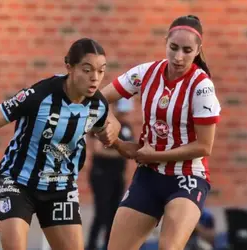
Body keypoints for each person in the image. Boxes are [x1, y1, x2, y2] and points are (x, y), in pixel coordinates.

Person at [0, 38, 119, 250]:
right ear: (69, 67)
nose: (95, 78)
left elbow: (108, 128)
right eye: (87, 70)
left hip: (60, 187)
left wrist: (120, 135)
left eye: (101, 71)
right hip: (18, 182)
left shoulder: (97, 104)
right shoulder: (38, 96)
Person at [96, 15, 222, 250]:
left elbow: (205, 147)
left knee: (168, 247)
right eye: (173, 47)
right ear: (165, 42)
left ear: (197, 50)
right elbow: (98, 101)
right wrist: (115, 137)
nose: (178, 57)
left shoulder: (202, 86)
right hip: (149, 176)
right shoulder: (146, 72)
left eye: (187, 50)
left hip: (187, 178)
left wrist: (153, 155)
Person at [86, 99, 134, 250]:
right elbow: (98, 150)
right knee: (102, 212)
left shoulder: (126, 127)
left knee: (114, 213)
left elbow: (132, 147)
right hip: (101, 174)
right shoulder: (103, 124)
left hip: (117, 175)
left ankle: (108, 246)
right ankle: (92, 246)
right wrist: (122, 152)